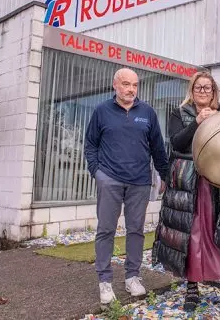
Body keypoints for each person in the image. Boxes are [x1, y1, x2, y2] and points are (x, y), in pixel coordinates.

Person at [152, 71, 220, 317]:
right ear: (192, 90)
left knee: (219, 234)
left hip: (216, 183)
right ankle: (191, 287)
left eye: (207, 88)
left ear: (214, 92)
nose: (203, 91)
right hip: (186, 182)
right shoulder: (178, 114)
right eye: (199, 88)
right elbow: (177, 143)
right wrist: (197, 122)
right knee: (189, 234)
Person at [84, 67, 169, 305]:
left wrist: (165, 176)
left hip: (139, 182)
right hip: (109, 179)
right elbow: (90, 144)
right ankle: (104, 280)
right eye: (125, 84)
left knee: (136, 231)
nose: (131, 89)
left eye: (134, 85)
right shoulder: (102, 111)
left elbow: (158, 148)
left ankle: (132, 277)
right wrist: (97, 173)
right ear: (115, 85)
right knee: (106, 230)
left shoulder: (148, 113)